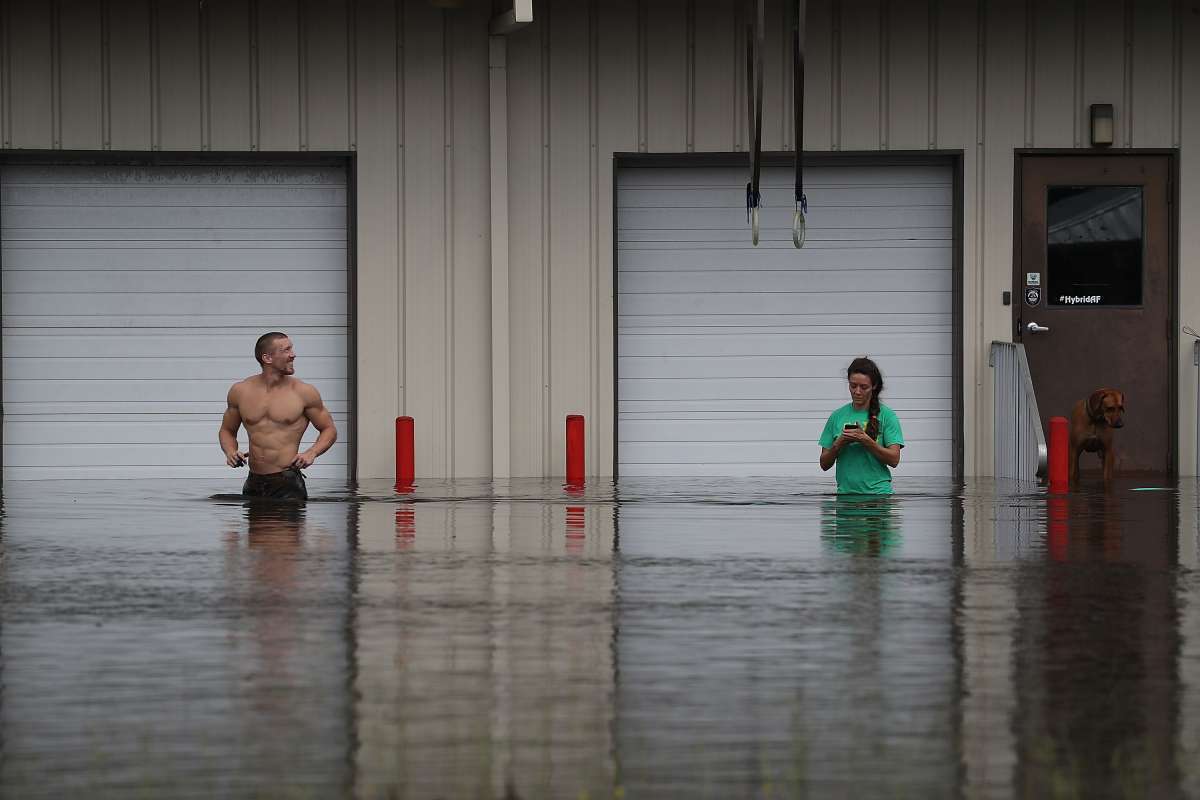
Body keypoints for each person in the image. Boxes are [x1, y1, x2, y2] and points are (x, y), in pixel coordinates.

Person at [218, 332, 337, 500]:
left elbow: (329, 429)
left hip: (287, 483)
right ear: (267, 358)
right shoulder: (240, 391)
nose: (293, 354)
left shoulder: (304, 392)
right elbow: (227, 430)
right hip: (253, 481)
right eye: (286, 350)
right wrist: (230, 452)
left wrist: (311, 453)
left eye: (292, 349)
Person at [818, 357, 904, 495]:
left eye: (863, 387)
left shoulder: (887, 416)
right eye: (853, 386)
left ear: (874, 386)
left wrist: (866, 441)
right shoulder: (836, 416)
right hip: (845, 497)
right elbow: (824, 464)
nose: (857, 392)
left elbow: (894, 460)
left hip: (879, 497)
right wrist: (839, 442)